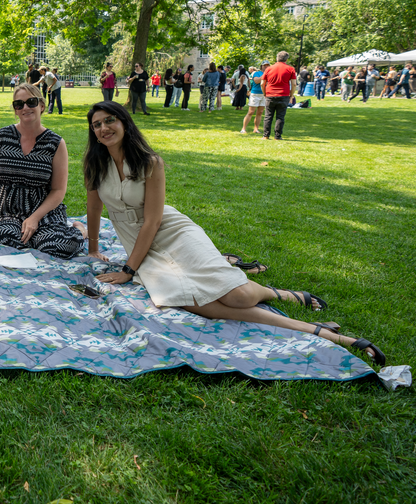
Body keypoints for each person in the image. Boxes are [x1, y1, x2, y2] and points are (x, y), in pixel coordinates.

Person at [82, 101, 385, 365]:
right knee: (184, 299)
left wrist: (128, 269)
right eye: (97, 125)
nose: (103, 128)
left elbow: (152, 221)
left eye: (110, 120)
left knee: (238, 296)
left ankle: (275, 294)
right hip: (134, 240)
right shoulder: (95, 165)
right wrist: (94, 247)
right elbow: (93, 209)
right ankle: (315, 330)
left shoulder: (151, 163)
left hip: (170, 231)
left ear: (124, 122)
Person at [0, 83, 86, 258]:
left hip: (43, 210)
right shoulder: (2, 136)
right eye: (19, 104)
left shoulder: (55, 143)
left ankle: (79, 230)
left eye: (31, 102)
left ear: (42, 106)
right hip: (9, 209)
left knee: (59, 245)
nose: (25, 107)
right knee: (7, 238)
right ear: (15, 110)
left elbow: (58, 190)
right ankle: (36, 239)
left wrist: (35, 218)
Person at [261, 51, 297, 140]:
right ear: (286, 59)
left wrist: (265, 93)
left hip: (270, 94)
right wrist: (291, 95)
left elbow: (262, 83)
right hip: (284, 94)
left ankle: (266, 135)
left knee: (268, 116)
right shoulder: (290, 69)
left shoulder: (268, 69)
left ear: (277, 58)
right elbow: (294, 84)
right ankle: (277, 136)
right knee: (280, 116)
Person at [240, 64, 266, 134]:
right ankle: (243, 129)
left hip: (264, 94)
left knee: (260, 113)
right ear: (261, 66)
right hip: (255, 94)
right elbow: (256, 81)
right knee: (251, 112)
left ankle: (256, 129)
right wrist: (265, 75)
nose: (266, 66)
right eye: (265, 65)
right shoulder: (257, 73)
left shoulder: (270, 73)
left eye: (268, 65)